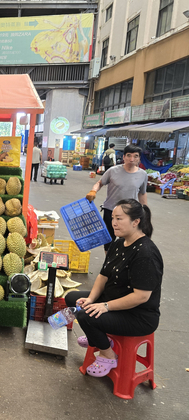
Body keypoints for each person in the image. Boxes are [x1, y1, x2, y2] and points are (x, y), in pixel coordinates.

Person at [65, 199, 162, 377]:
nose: (113, 223)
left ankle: (108, 355)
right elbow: (103, 275)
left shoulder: (145, 254)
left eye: (119, 218)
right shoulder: (119, 243)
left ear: (136, 222)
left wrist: (105, 306)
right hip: (114, 300)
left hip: (137, 315)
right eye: (113, 218)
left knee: (85, 315)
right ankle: (99, 337)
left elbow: (141, 297)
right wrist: (92, 299)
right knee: (73, 298)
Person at [86, 144, 147, 252]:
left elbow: (142, 194)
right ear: (123, 157)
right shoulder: (113, 171)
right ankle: (109, 264)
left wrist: (145, 211)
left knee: (128, 240)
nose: (132, 159)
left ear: (139, 158)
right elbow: (100, 183)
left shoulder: (143, 174)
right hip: (111, 211)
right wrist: (93, 191)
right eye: (129, 155)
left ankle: (122, 265)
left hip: (130, 213)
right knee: (109, 240)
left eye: (135, 156)